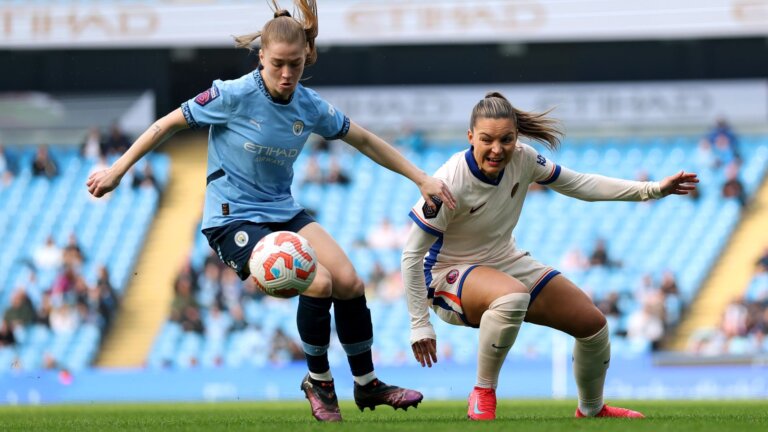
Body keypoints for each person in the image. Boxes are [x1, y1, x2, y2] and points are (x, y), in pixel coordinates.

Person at [86, 0, 455, 422]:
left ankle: (367, 384)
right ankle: (319, 381)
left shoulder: (310, 105)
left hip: (282, 211)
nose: (285, 75)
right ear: (261, 56)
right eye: (277, 64)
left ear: (305, 60)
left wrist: (421, 178)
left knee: (350, 282)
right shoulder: (233, 94)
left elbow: (365, 140)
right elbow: (166, 123)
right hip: (232, 219)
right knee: (318, 284)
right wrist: (116, 171)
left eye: (295, 65)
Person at [401, 92, 698, 421]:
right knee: (512, 297)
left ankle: (591, 410)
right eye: (486, 140)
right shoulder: (450, 181)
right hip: (447, 273)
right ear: (470, 137)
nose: (497, 149)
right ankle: (483, 392)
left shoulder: (524, 159)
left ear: (516, 137)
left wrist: (652, 189)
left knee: (593, 326)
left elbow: (581, 184)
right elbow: (411, 255)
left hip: (503, 259)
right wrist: (420, 325)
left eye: (506, 139)